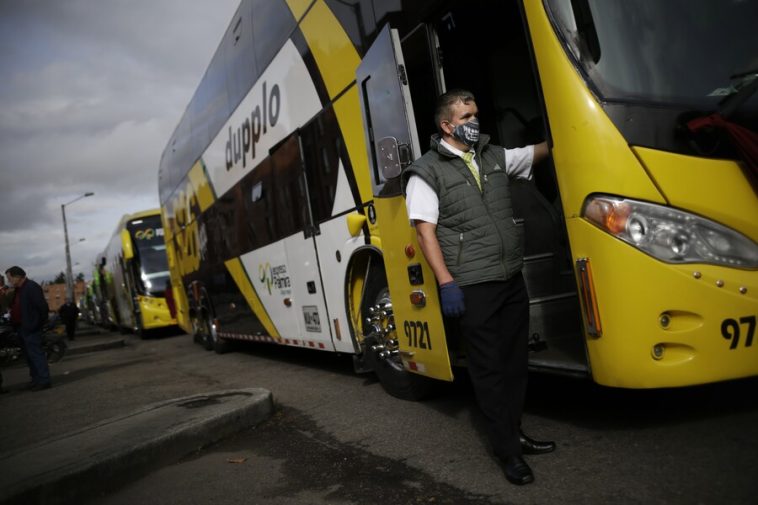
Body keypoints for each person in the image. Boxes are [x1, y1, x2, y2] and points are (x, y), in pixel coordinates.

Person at [402, 89, 554, 485]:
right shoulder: (427, 171)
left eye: (476, 115)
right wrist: (447, 283)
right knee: (489, 371)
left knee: (515, 364)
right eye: (466, 117)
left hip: (509, 278)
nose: (475, 122)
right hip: (472, 285)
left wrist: (569, 128)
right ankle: (507, 453)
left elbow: (535, 153)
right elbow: (425, 233)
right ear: (447, 125)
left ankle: (514, 433)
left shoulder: (492, 156)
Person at [5, 266, 51, 391]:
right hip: (21, 327)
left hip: (30, 328)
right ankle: (36, 379)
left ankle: (44, 380)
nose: (9, 281)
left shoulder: (31, 287)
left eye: (9, 278)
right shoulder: (19, 289)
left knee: (36, 354)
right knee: (29, 356)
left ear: (17, 277)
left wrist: (37, 324)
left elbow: (42, 307)